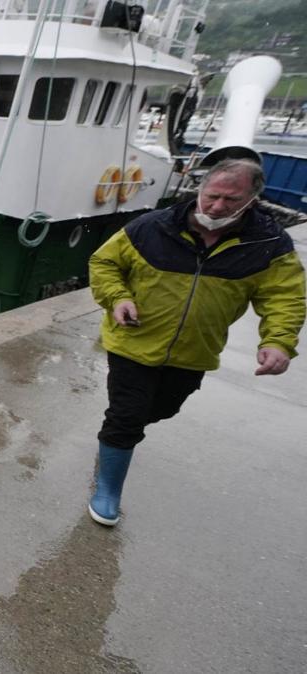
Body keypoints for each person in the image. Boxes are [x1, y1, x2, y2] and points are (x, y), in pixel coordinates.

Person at [87, 158, 305, 526]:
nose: (217, 207)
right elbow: (104, 263)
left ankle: (117, 441)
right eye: (212, 196)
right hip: (133, 342)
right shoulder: (151, 227)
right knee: (125, 415)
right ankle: (107, 487)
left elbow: (285, 297)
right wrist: (118, 298)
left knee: (162, 409)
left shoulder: (269, 244)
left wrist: (279, 342)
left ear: (252, 199)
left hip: (194, 352)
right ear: (200, 190)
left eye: (231, 200)